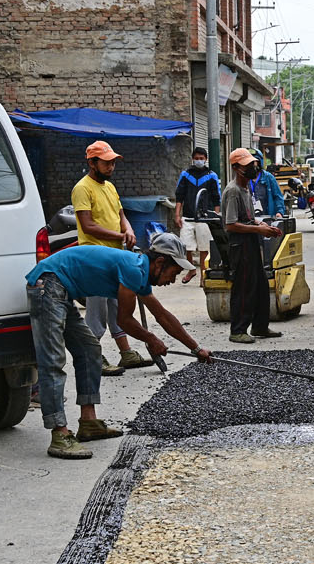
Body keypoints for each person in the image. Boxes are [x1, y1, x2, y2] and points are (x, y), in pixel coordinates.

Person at [25, 234, 213, 459]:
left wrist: (196, 349)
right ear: (160, 263)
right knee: (53, 361)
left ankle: (88, 422)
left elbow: (162, 315)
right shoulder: (133, 268)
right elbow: (124, 320)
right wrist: (151, 339)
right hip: (48, 284)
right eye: (174, 272)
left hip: (61, 289)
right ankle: (59, 434)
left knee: (89, 350)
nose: (173, 280)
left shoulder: (140, 273)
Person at [71, 139, 152, 375]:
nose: (111, 167)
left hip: (115, 256)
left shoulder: (110, 187)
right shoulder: (82, 188)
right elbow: (87, 226)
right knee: (97, 313)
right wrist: (118, 233)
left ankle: (126, 353)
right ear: (92, 163)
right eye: (106, 163)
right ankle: (93, 356)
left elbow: (121, 214)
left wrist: (128, 229)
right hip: (94, 258)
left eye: (113, 163)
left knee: (118, 307)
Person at [223, 148, 285, 344]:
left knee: (260, 285)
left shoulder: (246, 187)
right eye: (248, 165)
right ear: (236, 168)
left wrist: (260, 224)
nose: (253, 167)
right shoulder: (233, 191)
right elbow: (230, 224)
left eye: (253, 164)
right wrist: (258, 230)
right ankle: (238, 330)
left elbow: (248, 218)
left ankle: (260, 326)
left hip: (250, 241)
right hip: (239, 244)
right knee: (243, 287)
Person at [173, 146, 221, 284]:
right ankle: (191, 269)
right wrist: (177, 215)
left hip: (205, 218)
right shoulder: (186, 175)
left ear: (205, 159)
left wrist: (215, 216)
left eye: (201, 158)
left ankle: (203, 276)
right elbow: (179, 196)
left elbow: (216, 197)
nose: (199, 161)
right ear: (192, 159)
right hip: (187, 217)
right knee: (186, 246)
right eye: (196, 158)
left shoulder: (211, 176)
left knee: (204, 248)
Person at [250, 152, 286, 218]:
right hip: (250, 218)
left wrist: (279, 212)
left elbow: (277, 196)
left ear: (259, 162)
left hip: (267, 217)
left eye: (254, 161)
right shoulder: (244, 179)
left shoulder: (268, 178)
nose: (252, 165)